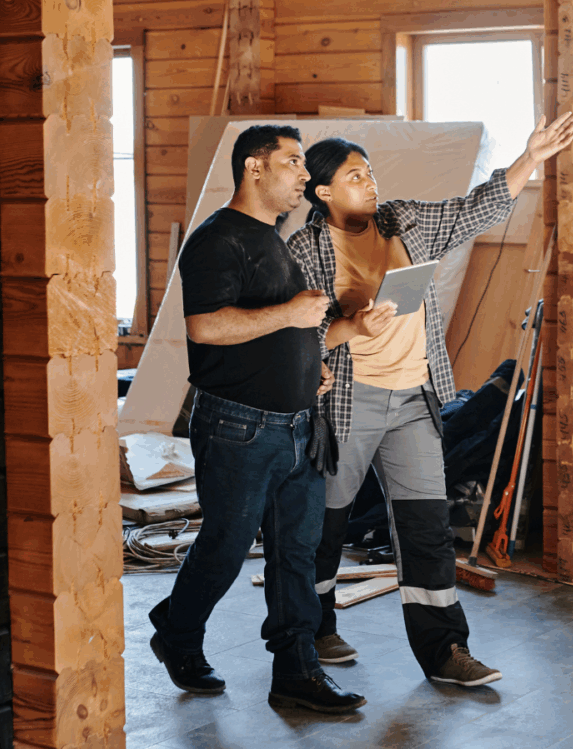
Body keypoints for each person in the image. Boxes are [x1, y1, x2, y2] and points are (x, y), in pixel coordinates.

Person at [287, 113, 573, 687]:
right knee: (325, 524)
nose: (369, 183)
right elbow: (296, 334)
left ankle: (445, 650)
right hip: (348, 401)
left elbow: (476, 209)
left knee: (425, 527)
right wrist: (353, 324)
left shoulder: (404, 221)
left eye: (370, 172)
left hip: (413, 399)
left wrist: (530, 158)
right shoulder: (306, 248)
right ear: (323, 193)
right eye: (354, 177)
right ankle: (313, 629)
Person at [148, 124, 365, 713]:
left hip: (298, 425)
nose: (304, 175)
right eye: (293, 162)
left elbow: (277, 331)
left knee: (296, 553)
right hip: (238, 428)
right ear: (254, 167)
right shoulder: (217, 240)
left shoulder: (273, 239)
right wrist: (292, 314)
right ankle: (177, 630)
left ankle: (296, 671)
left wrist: (311, 368)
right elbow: (206, 327)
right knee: (226, 545)